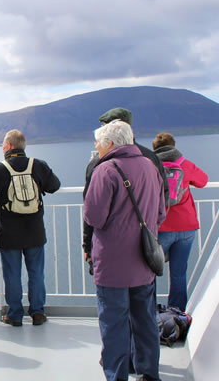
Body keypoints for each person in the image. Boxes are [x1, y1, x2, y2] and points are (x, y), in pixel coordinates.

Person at [84, 120, 165, 381]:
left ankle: (117, 376)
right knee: (145, 321)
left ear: (109, 143)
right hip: (144, 260)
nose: (96, 147)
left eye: (97, 142)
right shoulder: (150, 165)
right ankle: (149, 374)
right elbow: (161, 211)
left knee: (114, 325)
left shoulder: (105, 170)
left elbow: (94, 217)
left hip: (113, 264)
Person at [0, 129, 60, 326]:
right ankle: (38, 313)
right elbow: (55, 185)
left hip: (9, 233)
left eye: (2, 145)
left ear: (8, 146)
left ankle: (15, 315)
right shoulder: (38, 165)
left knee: (12, 274)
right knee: (36, 273)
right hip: (35, 230)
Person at [83, 108, 169, 267]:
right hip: (147, 242)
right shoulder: (151, 158)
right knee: (146, 286)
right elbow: (163, 199)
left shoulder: (99, 164)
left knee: (110, 287)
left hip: (111, 249)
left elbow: (92, 210)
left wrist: (87, 245)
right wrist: (151, 230)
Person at [153, 132, 208, 311]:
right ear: (174, 145)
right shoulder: (185, 164)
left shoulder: (151, 165)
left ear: (155, 148)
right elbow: (203, 181)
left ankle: (147, 311)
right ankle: (176, 314)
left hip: (161, 227)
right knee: (178, 274)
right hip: (186, 227)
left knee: (148, 272)